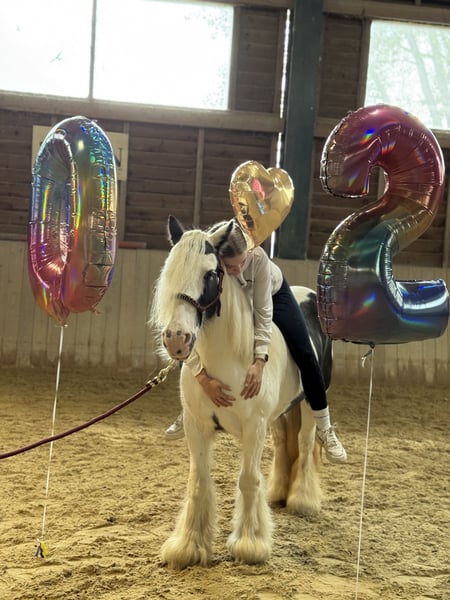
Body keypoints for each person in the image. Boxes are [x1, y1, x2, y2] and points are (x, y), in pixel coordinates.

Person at [165, 220, 347, 464]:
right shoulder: (214, 263)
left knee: (306, 353)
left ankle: (324, 427)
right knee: (190, 336)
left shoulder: (258, 260)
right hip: (234, 297)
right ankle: (188, 409)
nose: (238, 270)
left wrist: (260, 361)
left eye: (242, 263)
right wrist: (201, 376)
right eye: (231, 266)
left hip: (272, 295)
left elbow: (263, 314)